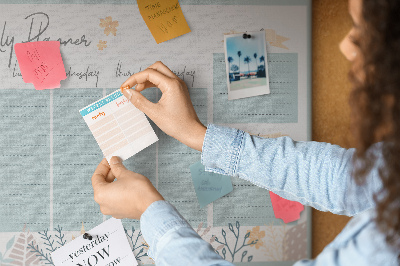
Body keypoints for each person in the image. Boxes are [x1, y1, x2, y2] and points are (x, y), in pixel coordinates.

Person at [90, 0, 400, 264]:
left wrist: (149, 210)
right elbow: (346, 178)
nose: (346, 46)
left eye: (364, 30)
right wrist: (197, 134)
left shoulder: (384, 248)